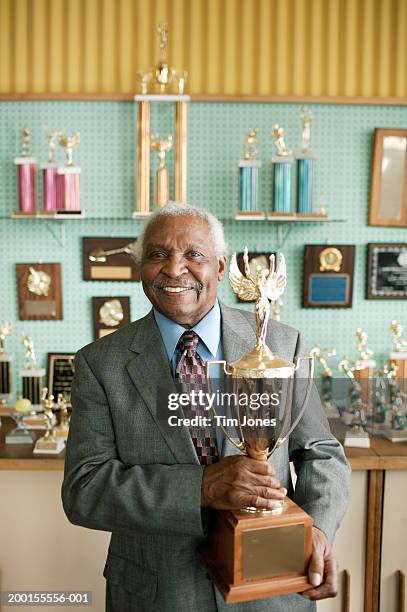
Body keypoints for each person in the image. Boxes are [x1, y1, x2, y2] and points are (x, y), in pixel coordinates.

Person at [62, 202, 350, 612]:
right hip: (158, 596)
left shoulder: (284, 346)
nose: (175, 269)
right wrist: (200, 489)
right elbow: (84, 489)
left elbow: (322, 453)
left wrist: (317, 530)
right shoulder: (99, 363)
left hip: (272, 587)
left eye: (193, 255)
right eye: (158, 254)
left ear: (219, 265)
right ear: (141, 266)